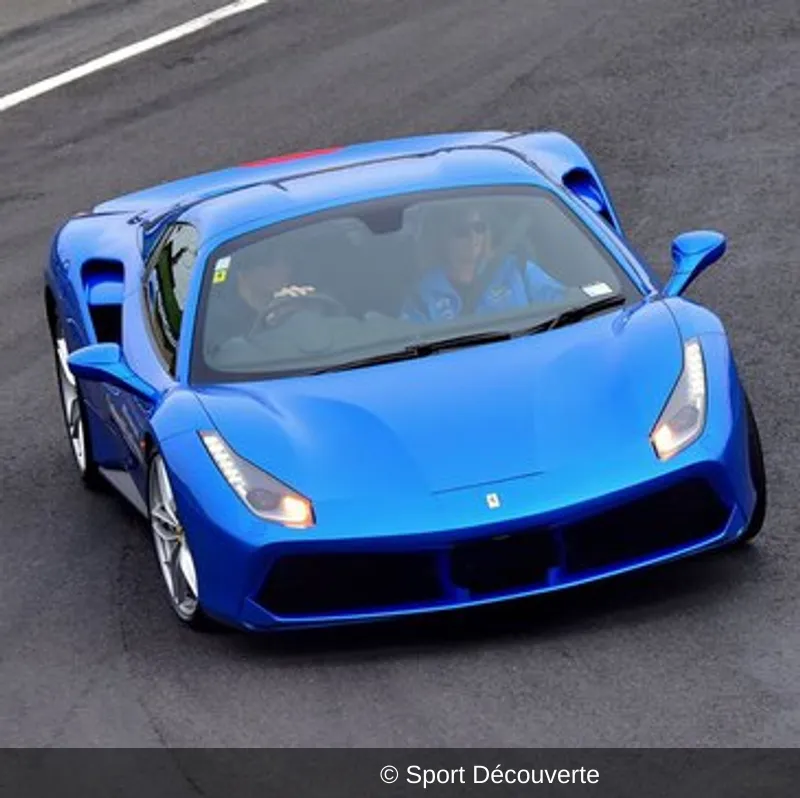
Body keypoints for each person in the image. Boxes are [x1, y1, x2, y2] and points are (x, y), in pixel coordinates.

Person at [400, 206, 566, 322]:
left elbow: (562, 304)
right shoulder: (422, 295)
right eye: (461, 231)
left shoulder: (518, 269)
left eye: (478, 227)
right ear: (443, 239)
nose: (473, 237)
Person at [204, 240, 317, 348]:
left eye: (287, 262)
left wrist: (304, 312)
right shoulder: (216, 320)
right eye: (273, 264)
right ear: (247, 270)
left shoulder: (289, 302)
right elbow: (233, 355)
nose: (286, 269)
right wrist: (269, 324)